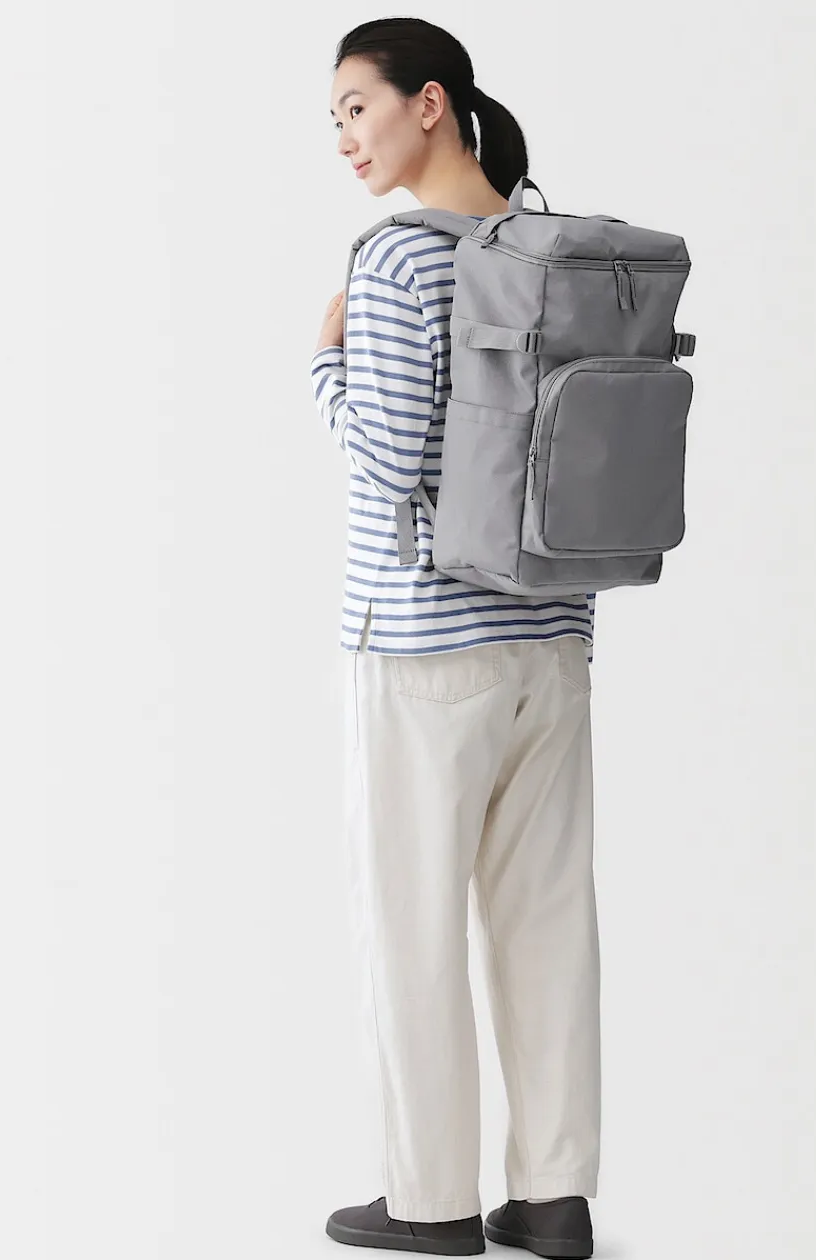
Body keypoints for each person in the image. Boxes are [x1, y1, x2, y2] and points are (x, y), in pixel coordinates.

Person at [309, 19, 598, 1259]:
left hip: (425, 647)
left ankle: (428, 1202)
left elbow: (389, 459)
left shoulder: (398, 259)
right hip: (555, 638)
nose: (344, 138)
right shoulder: (551, 244)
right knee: (548, 923)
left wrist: (322, 363)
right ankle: (554, 1195)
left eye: (355, 107)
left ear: (429, 103)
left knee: (413, 925)